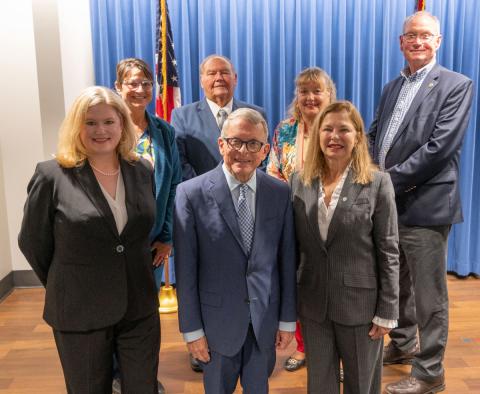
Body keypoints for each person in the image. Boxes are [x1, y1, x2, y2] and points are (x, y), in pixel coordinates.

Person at [18, 86, 161, 394]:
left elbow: (139, 234)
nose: (101, 130)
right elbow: (33, 242)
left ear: (122, 124)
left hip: (138, 306)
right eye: (90, 122)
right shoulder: (52, 175)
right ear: (76, 127)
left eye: (109, 121)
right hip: (80, 308)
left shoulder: (142, 170)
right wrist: (67, 279)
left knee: (143, 387)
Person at [368, 11, 473, 394]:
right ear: (401, 42)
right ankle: (401, 345)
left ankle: (430, 372)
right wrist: (364, 168)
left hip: (426, 204)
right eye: (411, 36)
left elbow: (439, 149)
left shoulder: (457, 85)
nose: (417, 42)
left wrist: (384, 182)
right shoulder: (391, 86)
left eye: (425, 36)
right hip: (389, 203)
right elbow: (377, 134)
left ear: (438, 41)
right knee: (398, 285)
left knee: (429, 294)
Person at [174, 108, 297, 393]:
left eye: (253, 144)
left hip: (263, 324)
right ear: (221, 144)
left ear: (265, 150)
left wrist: (287, 320)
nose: (243, 151)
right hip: (216, 328)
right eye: (235, 142)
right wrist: (192, 330)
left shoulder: (279, 193)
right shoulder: (190, 194)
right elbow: (186, 270)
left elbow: (286, 261)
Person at [290, 101, 400, 393]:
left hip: (360, 306)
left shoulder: (378, 183)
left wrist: (388, 309)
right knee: (320, 385)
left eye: (343, 129)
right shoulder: (298, 182)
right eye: (327, 129)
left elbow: (388, 250)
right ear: (317, 135)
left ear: (359, 137)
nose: (334, 136)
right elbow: (292, 249)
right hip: (313, 304)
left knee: (361, 384)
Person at [113, 58, 182, 393]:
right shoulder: (107, 129)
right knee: (112, 311)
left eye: (145, 83)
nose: (139, 89)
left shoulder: (164, 132)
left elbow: (171, 188)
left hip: (149, 245)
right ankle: (113, 377)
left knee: (144, 316)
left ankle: (141, 379)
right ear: (118, 87)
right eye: (131, 82)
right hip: (111, 245)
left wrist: (167, 236)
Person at [267, 66, 336, 373]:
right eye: (304, 91)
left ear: (328, 94)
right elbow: (273, 169)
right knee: (296, 282)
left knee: (330, 285)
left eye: (316, 91)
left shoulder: (339, 127)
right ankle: (304, 345)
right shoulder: (284, 130)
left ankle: (336, 349)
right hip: (291, 218)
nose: (310, 97)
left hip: (331, 220)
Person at [171, 54, 267, 182]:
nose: (219, 78)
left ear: (235, 79)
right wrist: (203, 190)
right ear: (201, 81)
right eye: (211, 73)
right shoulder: (182, 116)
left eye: (224, 72)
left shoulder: (256, 113)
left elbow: (263, 159)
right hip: (201, 196)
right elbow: (179, 163)